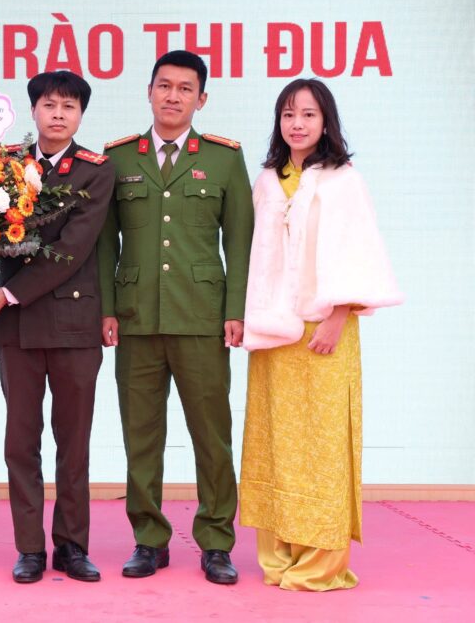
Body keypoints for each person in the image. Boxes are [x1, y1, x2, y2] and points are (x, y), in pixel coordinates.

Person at [240, 79, 402, 591]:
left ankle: (320, 563)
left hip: (325, 328)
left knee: (322, 445)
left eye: (308, 114)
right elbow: (256, 256)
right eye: (288, 114)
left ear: (326, 121)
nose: (298, 124)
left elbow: (360, 252)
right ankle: (278, 556)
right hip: (274, 331)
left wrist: (338, 316)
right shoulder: (267, 180)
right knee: (274, 441)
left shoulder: (343, 180)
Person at [97, 50, 253, 584]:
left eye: (185, 89)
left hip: (202, 318)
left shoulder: (225, 159)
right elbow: (104, 244)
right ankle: (149, 539)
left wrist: (235, 310)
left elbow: (240, 242)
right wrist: (107, 308)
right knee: (141, 436)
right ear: (149, 91)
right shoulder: (118, 158)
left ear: (201, 99)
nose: (173, 96)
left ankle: (216, 541)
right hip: (136, 318)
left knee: (212, 436)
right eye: (164, 86)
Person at [0, 71, 114, 584]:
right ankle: (29, 547)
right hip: (17, 330)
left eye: (68, 107)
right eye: (49, 105)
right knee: (21, 441)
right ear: (33, 110)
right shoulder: (3, 166)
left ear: (80, 115)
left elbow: (72, 249)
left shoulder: (96, 171)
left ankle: (73, 546)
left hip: (73, 325)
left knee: (73, 444)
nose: (58, 114)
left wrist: (8, 293)